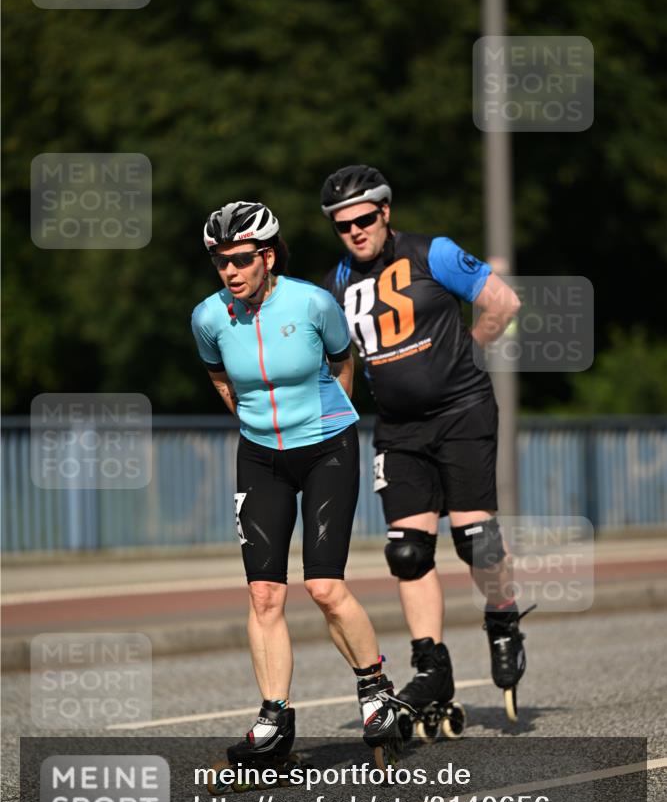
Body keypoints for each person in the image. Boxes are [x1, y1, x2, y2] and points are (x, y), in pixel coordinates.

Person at [191, 200, 404, 768]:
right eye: (219, 262)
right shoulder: (208, 317)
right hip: (260, 456)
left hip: (327, 446)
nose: (229, 272)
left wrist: (324, 418)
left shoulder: (312, 302)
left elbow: (342, 361)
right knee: (264, 594)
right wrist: (254, 420)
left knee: (324, 587)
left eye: (239, 260)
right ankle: (273, 718)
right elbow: (218, 374)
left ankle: (376, 690)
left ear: (266, 256)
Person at [320, 165, 533, 723]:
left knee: (476, 540)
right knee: (408, 551)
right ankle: (431, 667)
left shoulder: (431, 253)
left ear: (385, 212)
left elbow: (503, 303)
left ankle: (503, 619)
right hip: (398, 427)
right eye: (344, 226)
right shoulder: (337, 283)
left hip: (462, 411)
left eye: (365, 219)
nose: (356, 232)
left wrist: (468, 346)